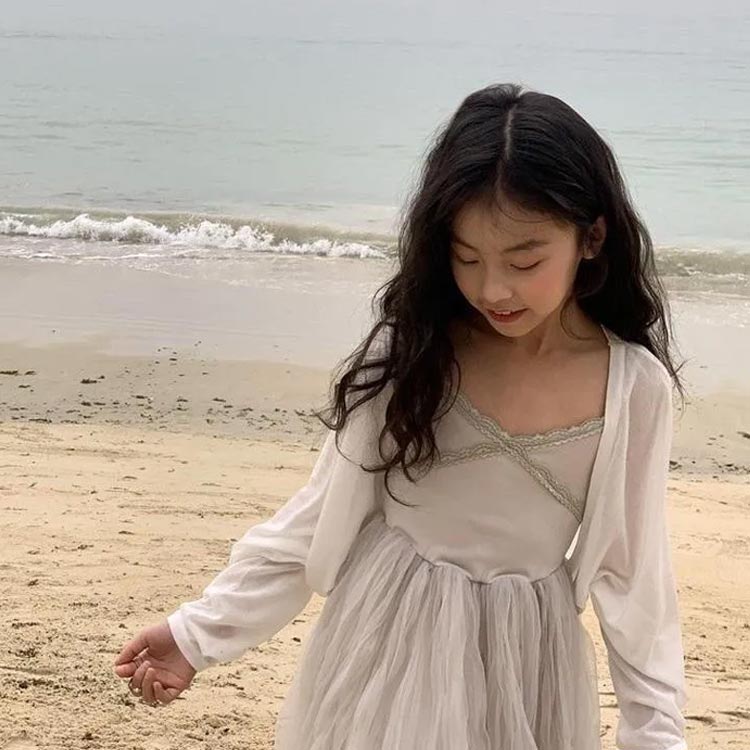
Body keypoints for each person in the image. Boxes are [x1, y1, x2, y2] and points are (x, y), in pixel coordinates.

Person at [114, 83, 689, 750]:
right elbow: (316, 517)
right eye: (467, 258)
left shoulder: (632, 388)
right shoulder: (413, 352)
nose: (493, 288)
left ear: (592, 237)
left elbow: (636, 580)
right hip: (389, 640)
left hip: (528, 662)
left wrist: (655, 736)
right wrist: (197, 634)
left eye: (524, 260)